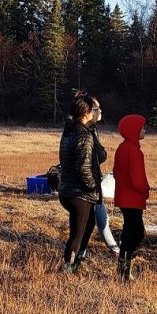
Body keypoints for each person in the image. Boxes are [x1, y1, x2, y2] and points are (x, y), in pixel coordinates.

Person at [58, 93, 103, 272]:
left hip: (67, 190)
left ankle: (76, 261)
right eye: (93, 110)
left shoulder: (68, 131)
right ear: (85, 113)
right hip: (80, 194)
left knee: (87, 225)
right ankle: (68, 268)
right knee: (77, 235)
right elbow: (83, 168)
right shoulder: (84, 135)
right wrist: (93, 186)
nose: (96, 113)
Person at [113, 114, 150, 281]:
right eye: (142, 127)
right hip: (132, 199)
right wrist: (145, 190)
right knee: (135, 234)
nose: (144, 130)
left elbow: (115, 172)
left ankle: (124, 267)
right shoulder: (134, 151)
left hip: (124, 197)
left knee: (131, 232)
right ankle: (124, 270)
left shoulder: (122, 148)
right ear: (134, 130)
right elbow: (138, 179)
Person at [89, 98, 120, 257]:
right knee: (98, 213)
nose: (101, 111)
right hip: (89, 185)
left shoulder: (90, 129)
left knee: (94, 216)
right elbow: (98, 156)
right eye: (97, 108)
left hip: (91, 182)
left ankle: (113, 247)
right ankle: (115, 248)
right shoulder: (87, 132)